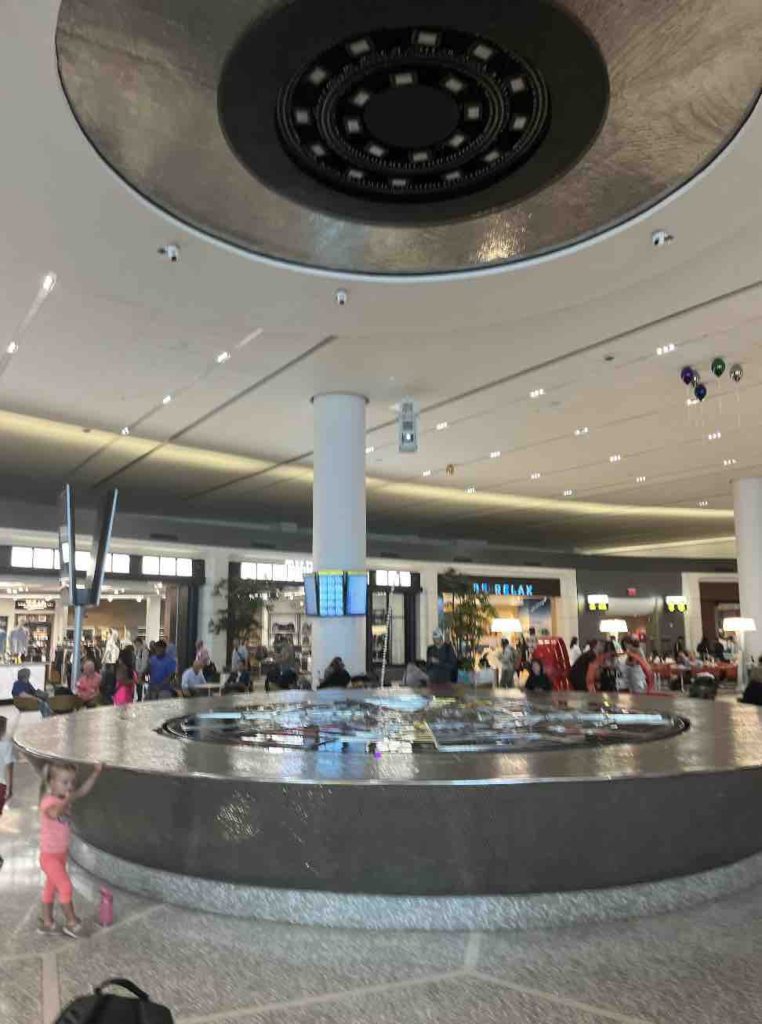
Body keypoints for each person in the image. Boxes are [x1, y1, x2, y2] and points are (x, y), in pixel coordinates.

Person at [38, 761, 102, 937]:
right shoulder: (48, 802)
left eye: (71, 782)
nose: (70, 786)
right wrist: (67, 799)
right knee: (65, 886)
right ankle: (71, 922)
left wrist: (95, 774)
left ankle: (47, 922)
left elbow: (82, 791)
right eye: (65, 782)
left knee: (50, 887)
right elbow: (55, 813)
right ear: (51, 783)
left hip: (61, 854)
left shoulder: (64, 797)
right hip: (49, 856)